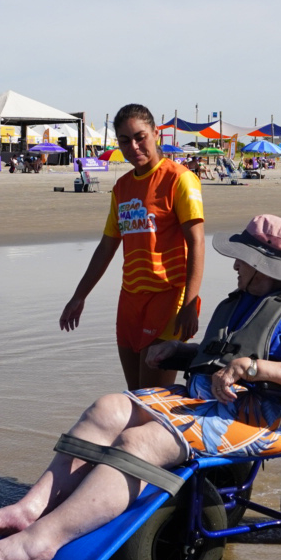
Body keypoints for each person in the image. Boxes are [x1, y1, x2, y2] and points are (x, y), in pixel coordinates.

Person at [0, 215, 281, 560]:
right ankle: (31, 509)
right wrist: (179, 351)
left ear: (263, 265)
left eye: (242, 259)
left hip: (269, 418)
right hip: (212, 402)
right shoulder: (244, 303)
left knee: (142, 441)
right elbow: (223, 357)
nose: (235, 266)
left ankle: (41, 542)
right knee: (108, 408)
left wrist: (253, 368)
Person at [60, 103, 205, 390]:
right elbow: (106, 247)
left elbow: (197, 241)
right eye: (125, 141)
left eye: (141, 137)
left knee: (152, 400)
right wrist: (79, 296)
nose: (134, 146)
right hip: (130, 300)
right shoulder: (122, 187)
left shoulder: (179, 179)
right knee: (136, 394)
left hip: (168, 297)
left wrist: (190, 304)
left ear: (155, 134)